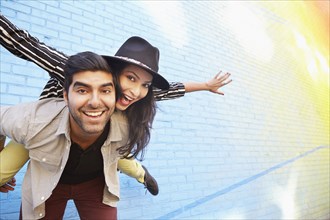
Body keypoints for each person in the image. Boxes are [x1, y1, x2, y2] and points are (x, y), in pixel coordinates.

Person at [0, 14, 232, 195]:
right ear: (113, 72)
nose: (135, 92)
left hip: (102, 138)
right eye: (130, 78)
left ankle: (144, 176)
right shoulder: (80, 71)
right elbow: (24, 43)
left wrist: (205, 85)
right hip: (48, 130)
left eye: (144, 85)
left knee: (126, 161)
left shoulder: (136, 96)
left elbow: (170, 89)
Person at [0, 51, 137, 219]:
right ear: (65, 96)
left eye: (105, 90)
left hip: (94, 183)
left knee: (130, 164)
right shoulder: (33, 120)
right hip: (48, 181)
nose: (95, 102)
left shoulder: (126, 125)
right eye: (82, 90)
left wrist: (179, 88)